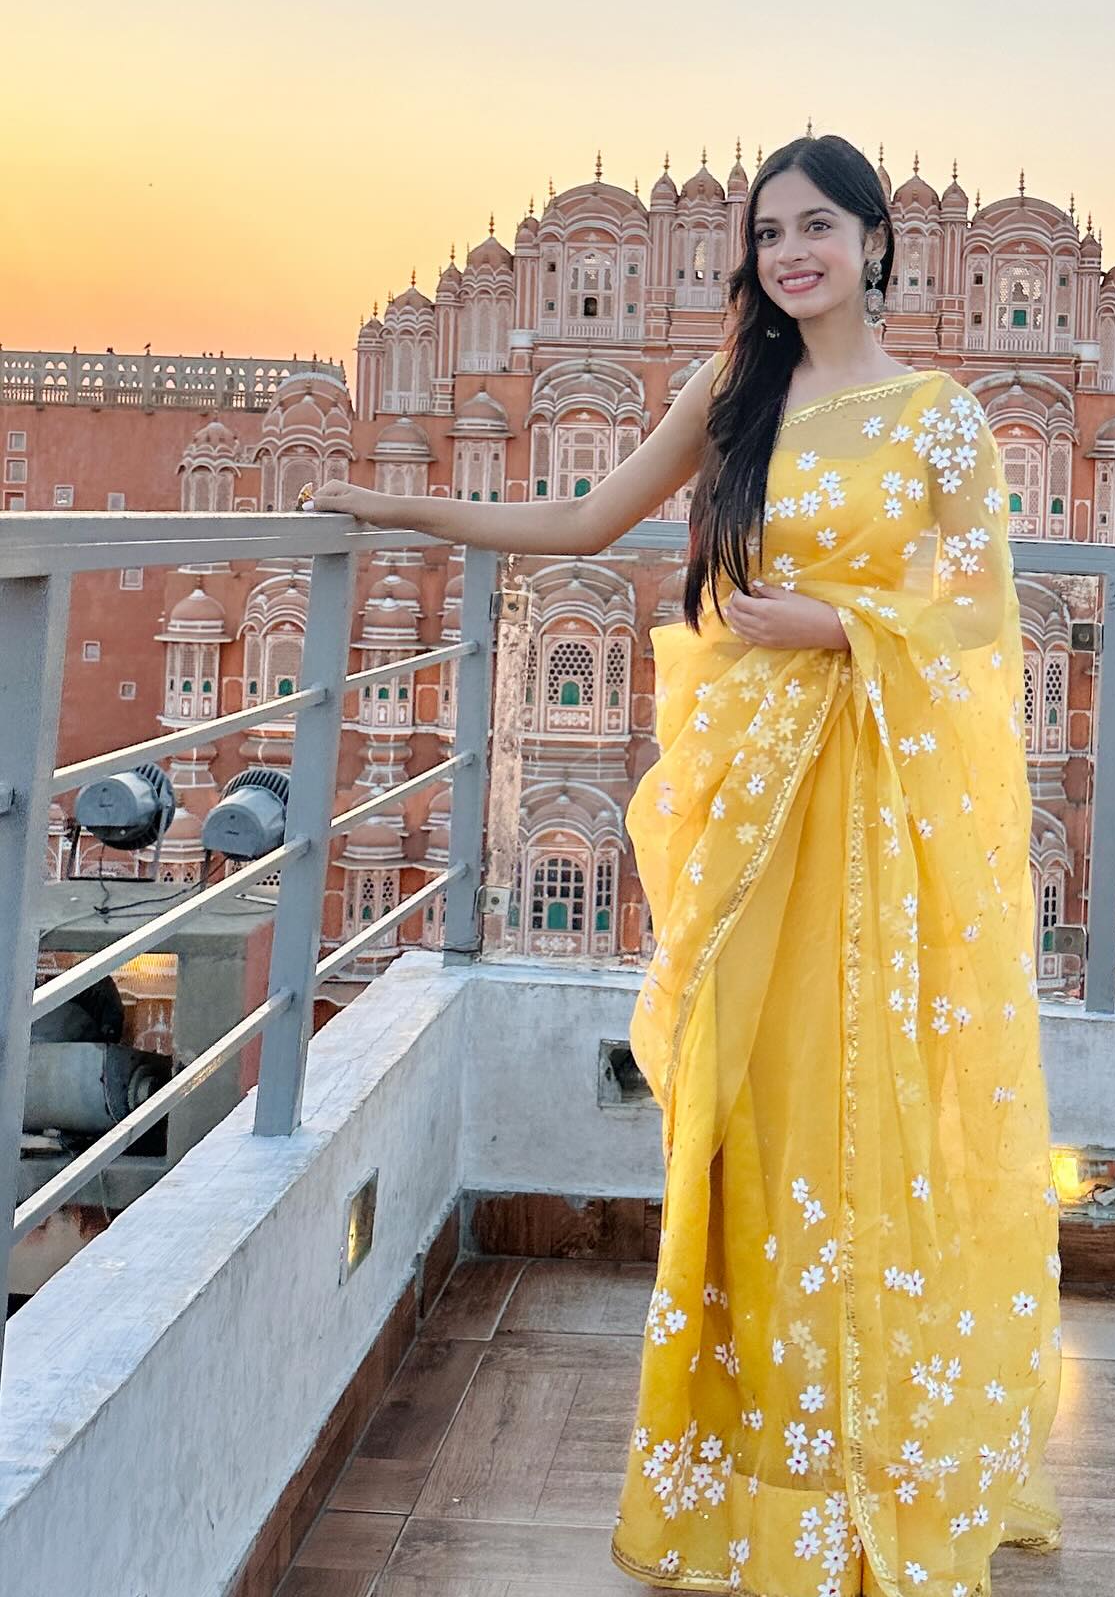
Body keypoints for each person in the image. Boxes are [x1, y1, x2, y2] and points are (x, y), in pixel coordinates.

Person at [308, 132, 1064, 1597]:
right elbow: (585, 519)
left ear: (877, 244)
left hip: (875, 820)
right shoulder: (735, 391)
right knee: (748, 1118)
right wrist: (398, 504)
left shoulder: (940, 420)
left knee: (867, 1120)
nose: (793, 254)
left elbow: (979, 618)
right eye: (770, 233)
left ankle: (869, 1476)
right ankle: (765, 1468)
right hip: (748, 809)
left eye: (819, 228)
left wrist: (841, 627)